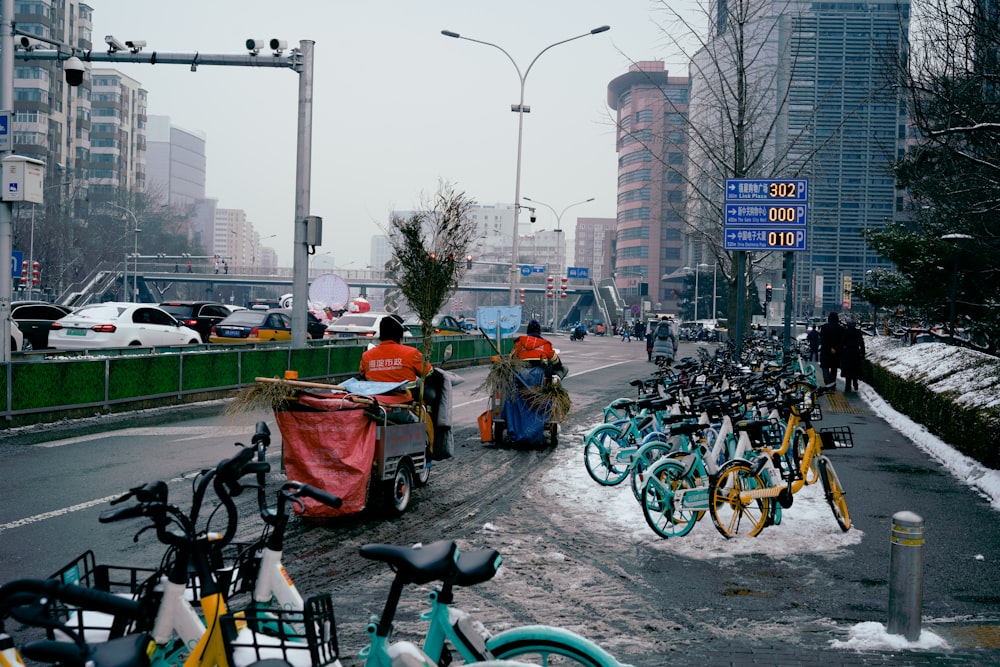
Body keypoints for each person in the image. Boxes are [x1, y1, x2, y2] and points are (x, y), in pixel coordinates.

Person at [359, 315, 431, 384]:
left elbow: (362, 373)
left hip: (374, 396)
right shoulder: (411, 353)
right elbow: (429, 372)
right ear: (400, 337)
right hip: (405, 396)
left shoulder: (367, 356)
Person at [819, 312, 844, 390]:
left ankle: (827, 382)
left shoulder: (824, 327)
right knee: (834, 368)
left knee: (825, 367)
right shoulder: (840, 328)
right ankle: (832, 383)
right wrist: (835, 348)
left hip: (825, 350)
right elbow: (842, 341)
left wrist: (829, 347)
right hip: (836, 353)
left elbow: (822, 339)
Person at [840, 319, 865, 392]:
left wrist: (841, 352)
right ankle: (855, 383)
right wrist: (862, 353)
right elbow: (862, 344)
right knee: (855, 369)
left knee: (848, 370)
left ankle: (848, 386)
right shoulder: (858, 332)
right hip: (856, 352)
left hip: (847, 353)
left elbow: (841, 343)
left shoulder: (845, 332)